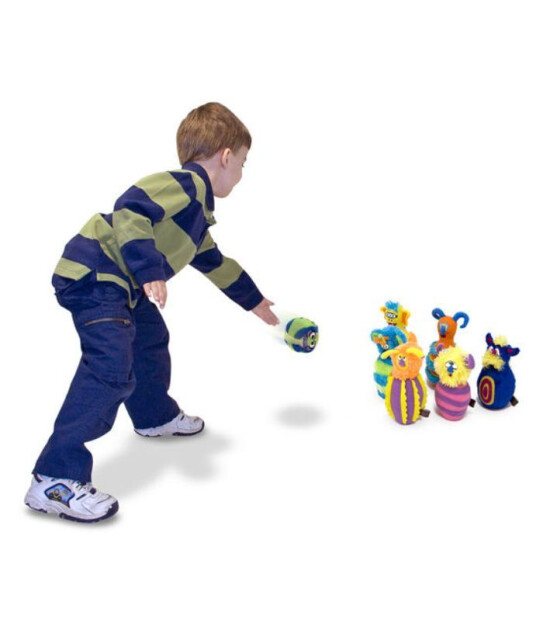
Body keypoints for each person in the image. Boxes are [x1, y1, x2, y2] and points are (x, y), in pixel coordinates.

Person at [24, 102, 279, 523]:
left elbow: (216, 263)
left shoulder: (195, 216)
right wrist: (149, 272)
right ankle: (54, 477)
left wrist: (255, 301)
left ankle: (153, 415)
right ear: (226, 157)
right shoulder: (184, 185)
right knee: (110, 366)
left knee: (149, 341)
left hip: (121, 285)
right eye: (243, 163)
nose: (242, 173)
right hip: (96, 274)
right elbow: (130, 209)